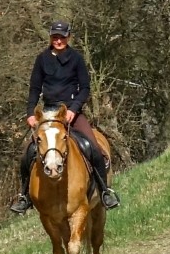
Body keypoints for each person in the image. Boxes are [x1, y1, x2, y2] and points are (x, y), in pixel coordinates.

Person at [11, 21, 120, 213]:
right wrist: (30, 113)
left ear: (68, 37)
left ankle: (105, 191)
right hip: (48, 114)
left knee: (93, 147)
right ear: (51, 38)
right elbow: (35, 89)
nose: (58, 40)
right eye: (55, 37)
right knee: (27, 153)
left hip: (71, 112)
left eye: (62, 37)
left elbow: (85, 87)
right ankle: (25, 197)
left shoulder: (76, 58)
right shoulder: (41, 59)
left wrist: (74, 109)